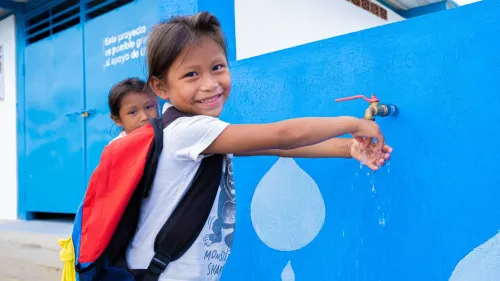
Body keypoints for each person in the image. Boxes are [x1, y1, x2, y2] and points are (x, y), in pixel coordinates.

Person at [125, 12, 393, 281]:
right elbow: (283, 136)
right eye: (191, 74)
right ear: (161, 87)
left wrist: (350, 149)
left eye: (217, 67)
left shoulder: (199, 131)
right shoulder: (187, 131)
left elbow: (282, 148)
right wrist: (351, 124)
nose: (210, 84)